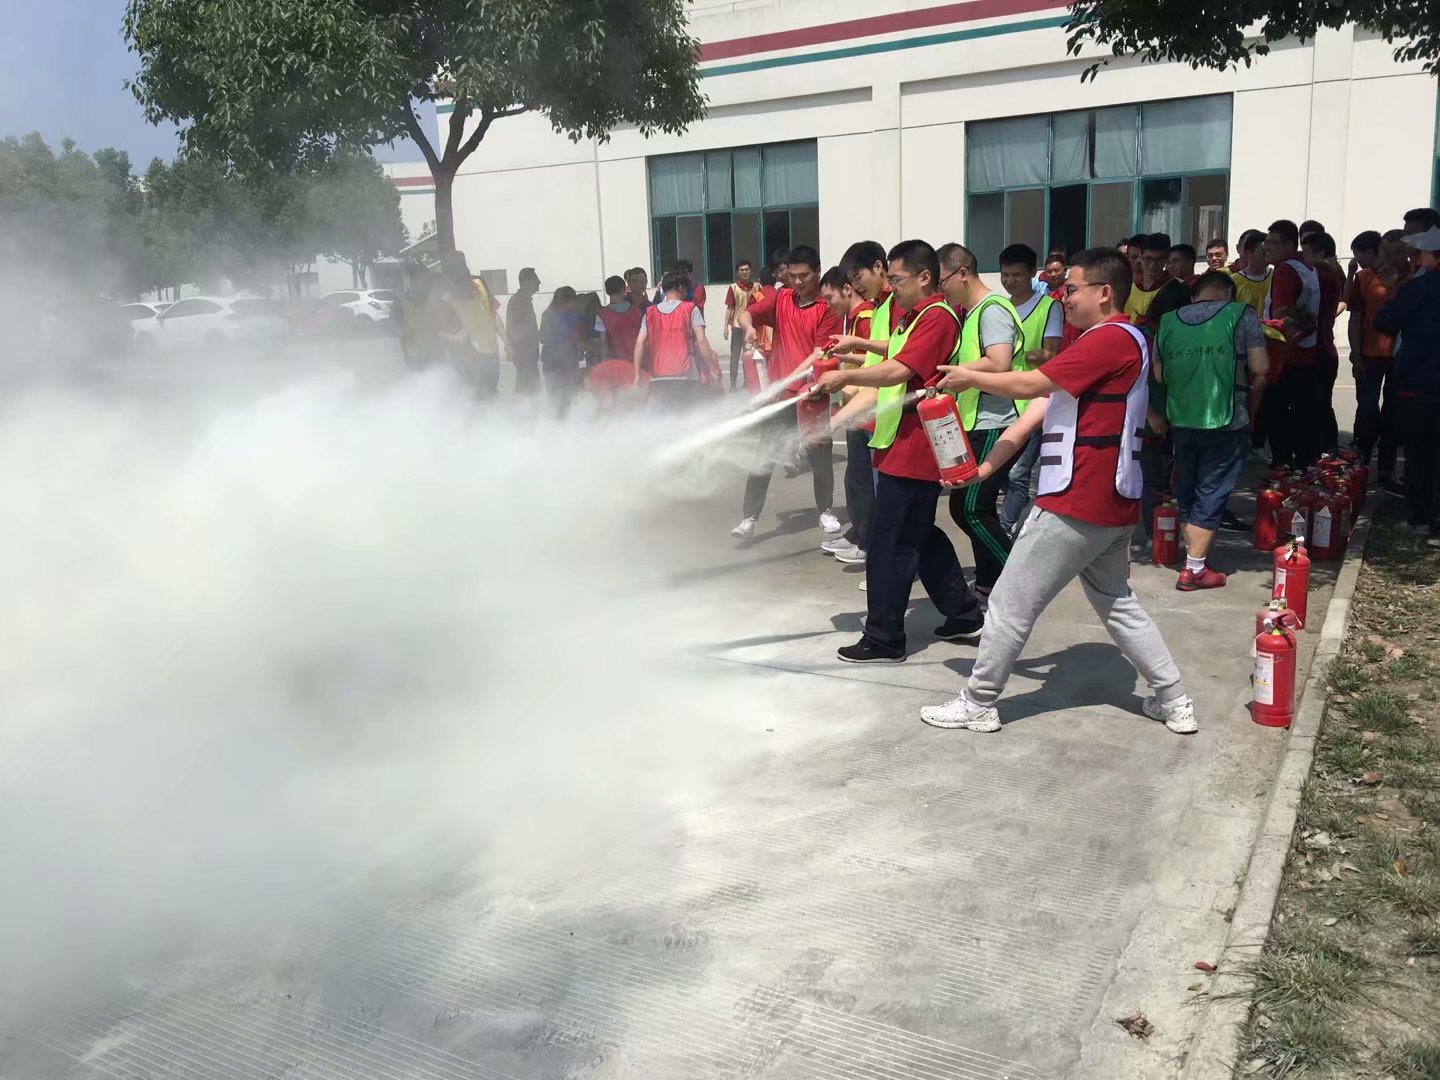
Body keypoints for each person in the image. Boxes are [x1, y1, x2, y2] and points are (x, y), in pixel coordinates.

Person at [918, 247, 1197, 736]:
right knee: (1117, 603)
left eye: (1071, 289)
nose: (1062, 297)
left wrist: (969, 377)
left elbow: (1030, 386)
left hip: (1076, 501)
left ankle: (978, 702)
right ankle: (1174, 700)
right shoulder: (1102, 343)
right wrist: (985, 468)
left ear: (1104, 292)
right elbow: (1036, 411)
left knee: (1008, 603)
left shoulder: (1110, 339)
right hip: (1110, 504)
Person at [812, 239, 984, 662]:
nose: (891, 285)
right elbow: (895, 357)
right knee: (919, 535)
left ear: (925, 277)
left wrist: (843, 378)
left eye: (897, 278)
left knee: (889, 545)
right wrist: (858, 351)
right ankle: (963, 614)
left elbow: (901, 369)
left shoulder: (937, 317)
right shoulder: (914, 317)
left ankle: (884, 637)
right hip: (900, 446)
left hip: (916, 451)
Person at [1152, 270, 1270, 590]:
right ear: (1229, 293)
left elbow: (1159, 375)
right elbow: (1260, 367)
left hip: (1181, 418)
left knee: (1187, 489)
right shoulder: (1241, 314)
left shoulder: (1167, 321)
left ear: (1195, 296)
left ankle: (1194, 558)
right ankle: (1194, 569)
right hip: (1227, 419)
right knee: (1213, 489)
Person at [732, 245, 843, 540]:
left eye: (804, 275)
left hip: (811, 394)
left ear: (817, 271)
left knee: (819, 454)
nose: (797, 282)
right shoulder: (781, 298)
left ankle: (825, 510)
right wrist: (749, 328)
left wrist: (790, 380)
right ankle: (749, 518)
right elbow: (747, 314)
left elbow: (819, 353)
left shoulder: (827, 308)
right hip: (781, 398)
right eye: (792, 275)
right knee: (765, 454)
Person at [933, 243, 1024, 602]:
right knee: (972, 507)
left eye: (942, 281)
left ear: (962, 274)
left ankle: (1017, 580)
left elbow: (999, 362)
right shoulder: (971, 314)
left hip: (995, 420)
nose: (941, 289)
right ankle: (988, 583)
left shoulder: (992, 309)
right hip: (977, 421)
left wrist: (958, 373)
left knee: (970, 508)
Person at [824, 240, 897, 586]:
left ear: (879, 267)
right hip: (878, 418)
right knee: (883, 498)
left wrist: (847, 376)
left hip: (889, 419)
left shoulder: (889, 309)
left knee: (889, 502)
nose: (855, 286)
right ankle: (884, 561)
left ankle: (885, 562)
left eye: (857, 278)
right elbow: (879, 360)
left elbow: (892, 366)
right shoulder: (881, 308)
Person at [1374, 227, 1440, 541]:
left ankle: (1422, 518)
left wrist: (1392, 292)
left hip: (1421, 382)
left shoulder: (1420, 287)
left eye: (1422, 254)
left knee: (1420, 455)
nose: (1417, 259)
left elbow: (1385, 321)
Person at [997, 244, 1065, 539]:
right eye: (1005, 275)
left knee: (1018, 472)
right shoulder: (999, 307)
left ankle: (1004, 530)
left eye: (1017, 275)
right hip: (1001, 402)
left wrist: (1013, 355)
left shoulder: (1049, 307)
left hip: (1033, 401)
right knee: (1000, 470)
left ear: (1031, 274)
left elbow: (1051, 354)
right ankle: (1017, 507)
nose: (1010, 281)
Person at [817, 265, 877, 565]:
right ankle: (858, 533)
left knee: (863, 483)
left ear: (847, 289)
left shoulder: (866, 317)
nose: (829, 305)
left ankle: (867, 541)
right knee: (854, 480)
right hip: (855, 410)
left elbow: (874, 361)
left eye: (830, 298)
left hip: (868, 411)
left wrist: (843, 373)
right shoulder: (852, 319)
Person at [1264, 219, 1323, 468]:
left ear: (1289, 244)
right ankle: (1303, 463)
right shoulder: (1307, 266)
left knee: (1276, 411)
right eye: (1265, 242)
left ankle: (1283, 466)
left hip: (1286, 353)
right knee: (1302, 412)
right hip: (1306, 350)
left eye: (1272, 242)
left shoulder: (1285, 270)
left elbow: (1281, 315)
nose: (1266, 247)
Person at [1347, 230, 1397, 482]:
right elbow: (1355, 317)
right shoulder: (1362, 277)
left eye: (1358, 254)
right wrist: (1356, 354)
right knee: (1367, 408)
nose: (1356, 259)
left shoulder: (1406, 277)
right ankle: (1361, 458)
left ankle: (1386, 467)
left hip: (1397, 355)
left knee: (1392, 411)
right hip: (1369, 353)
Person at [634, 270, 716, 409]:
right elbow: (701, 341)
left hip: (657, 376)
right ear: (680, 287)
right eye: (686, 288)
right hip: (686, 375)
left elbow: (639, 343)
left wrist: (637, 374)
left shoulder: (649, 313)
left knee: (663, 417)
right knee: (687, 415)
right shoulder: (691, 309)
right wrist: (711, 369)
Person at [440, 253, 509, 398]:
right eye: (459, 288)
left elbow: (493, 315)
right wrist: (454, 338)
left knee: (491, 393)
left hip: (491, 354)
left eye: (465, 284)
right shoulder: (446, 300)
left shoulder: (480, 284)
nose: (464, 291)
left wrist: (507, 342)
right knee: (472, 397)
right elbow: (435, 332)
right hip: (467, 360)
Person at [1301, 230, 1344, 453]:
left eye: (1306, 254)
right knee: (1319, 403)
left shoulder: (1322, 276)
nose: (1302, 258)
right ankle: (1325, 449)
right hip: (1324, 347)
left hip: (1319, 349)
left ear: (1320, 255)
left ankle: (1325, 451)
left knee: (1317, 403)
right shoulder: (1326, 274)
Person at [539, 286, 581, 412]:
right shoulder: (572, 316)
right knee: (569, 394)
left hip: (550, 359)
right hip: (568, 360)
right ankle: (567, 418)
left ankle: (555, 419)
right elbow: (577, 337)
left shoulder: (547, 314)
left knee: (553, 394)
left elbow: (542, 338)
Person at [724, 260, 763, 391]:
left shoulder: (757, 287)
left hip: (751, 327)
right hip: (737, 326)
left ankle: (748, 381)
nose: (744, 272)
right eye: (742, 270)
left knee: (749, 354)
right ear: (737, 272)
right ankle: (733, 383)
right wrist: (725, 327)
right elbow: (730, 308)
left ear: (750, 271)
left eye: (746, 269)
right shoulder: (733, 287)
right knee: (735, 355)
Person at [395, 267, 443, 369]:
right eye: (425, 281)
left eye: (429, 280)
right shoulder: (400, 303)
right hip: (415, 358)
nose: (429, 284)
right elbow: (395, 329)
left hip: (437, 355)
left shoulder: (435, 299)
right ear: (413, 282)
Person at [507, 267, 542, 395]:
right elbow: (515, 330)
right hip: (524, 355)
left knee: (531, 389)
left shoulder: (524, 300)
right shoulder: (518, 301)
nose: (539, 281)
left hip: (528, 355)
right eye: (535, 279)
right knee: (524, 390)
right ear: (527, 281)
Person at [1124, 234, 1174, 323]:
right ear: (1140, 257)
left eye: (1159, 259)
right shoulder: (1126, 287)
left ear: (1167, 259)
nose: (1153, 265)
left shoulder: (1177, 288)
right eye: (1148, 259)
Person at [596, 275, 643, 362]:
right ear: (623, 289)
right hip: (637, 359)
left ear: (607, 292)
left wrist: (604, 363)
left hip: (616, 361)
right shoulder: (636, 310)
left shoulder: (601, 315)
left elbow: (603, 342)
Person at [1227, 230, 1272, 317]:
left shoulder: (1275, 276)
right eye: (1263, 252)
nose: (1267, 255)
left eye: (1269, 251)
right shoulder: (1233, 282)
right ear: (1248, 254)